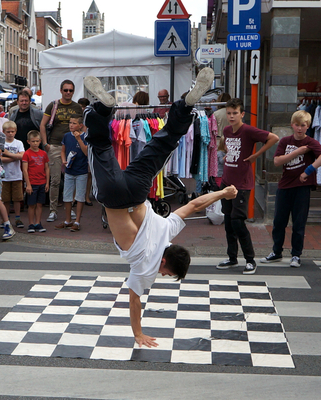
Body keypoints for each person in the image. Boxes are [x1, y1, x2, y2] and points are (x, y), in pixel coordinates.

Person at [82, 68, 235, 348]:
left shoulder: (168, 229)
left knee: (164, 142)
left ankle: (186, 106)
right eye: (167, 273)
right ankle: (102, 110)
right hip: (113, 196)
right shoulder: (148, 266)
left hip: (139, 190)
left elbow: (193, 205)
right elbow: (134, 299)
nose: (162, 276)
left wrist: (223, 192)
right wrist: (138, 334)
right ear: (164, 262)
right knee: (99, 144)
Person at [216, 98, 279, 275]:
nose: (231, 116)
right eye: (229, 113)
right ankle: (232, 257)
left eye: (235, 113)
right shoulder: (227, 130)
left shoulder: (248, 130)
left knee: (237, 222)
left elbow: (273, 138)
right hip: (227, 181)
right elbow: (226, 145)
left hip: (242, 183)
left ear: (242, 114)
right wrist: (226, 156)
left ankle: (250, 260)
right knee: (228, 222)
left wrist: (255, 155)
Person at [260, 110, 321, 268]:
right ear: (292, 125)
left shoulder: (311, 142)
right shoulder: (285, 141)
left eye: (302, 125)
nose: (299, 128)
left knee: (299, 223)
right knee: (278, 221)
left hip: (302, 188)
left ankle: (296, 255)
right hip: (285, 186)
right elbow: (277, 161)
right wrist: (298, 152)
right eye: (297, 125)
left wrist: (309, 171)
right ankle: (276, 251)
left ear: (308, 126)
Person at [40, 80, 82, 223]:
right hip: (56, 145)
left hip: (73, 147)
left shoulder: (77, 107)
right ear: (61, 90)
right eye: (65, 90)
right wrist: (45, 143)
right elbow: (43, 125)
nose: (68, 93)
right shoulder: (53, 105)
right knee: (55, 180)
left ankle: (69, 209)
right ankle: (53, 210)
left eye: (70, 90)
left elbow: (82, 126)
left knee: (72, 179)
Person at [55, 115, 88, 232]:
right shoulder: (67, 136)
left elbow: (86, 153)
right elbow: (63, 150)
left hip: (81, 171)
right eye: (70, 123)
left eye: (74, 123)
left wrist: (79, 139)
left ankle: (77, 221)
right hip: (69, 170)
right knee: (67, 196)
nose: (71, 125)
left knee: (80, 196)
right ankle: (67, 220)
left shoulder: (85, 137)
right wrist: (63, 160)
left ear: (80, 125)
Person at [22, 130, 49, 233]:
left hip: (42, 182)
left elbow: (47, 168)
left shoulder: (43, 153)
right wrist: (28, 184)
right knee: (31, 204)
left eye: (37, 141)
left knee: (39, 204)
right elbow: (25, 169)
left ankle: (38, 222)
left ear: (40, 141)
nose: (35, 143)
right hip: (32, 183)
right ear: (28, 142)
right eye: (33, 141)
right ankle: (30, 223)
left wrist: (47, 182)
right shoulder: (27, 154)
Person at [0, 121, 25, 230]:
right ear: (3, 132)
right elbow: (0, 159)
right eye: (8, 132)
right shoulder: (1, 144)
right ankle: (6, 218)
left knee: (17, 198)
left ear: (15, 132)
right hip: (4, 176)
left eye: (12, 131)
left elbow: (22, 156)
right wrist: (14, 157)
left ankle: (18, 217)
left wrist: (7, 154)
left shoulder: (18, 143)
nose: (10, 134)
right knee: (5, 199)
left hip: (17, 175)